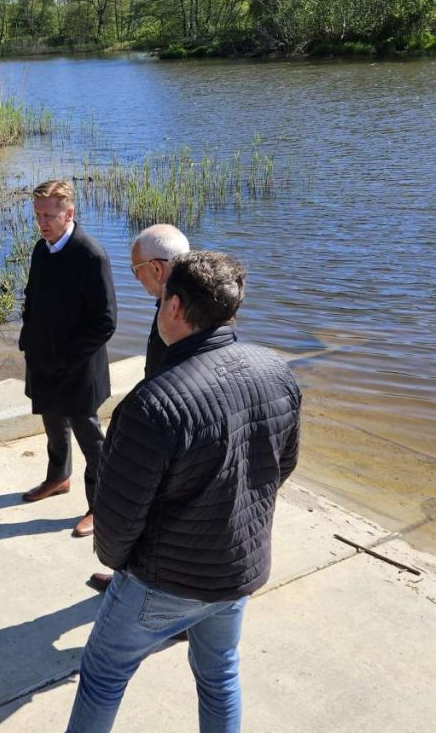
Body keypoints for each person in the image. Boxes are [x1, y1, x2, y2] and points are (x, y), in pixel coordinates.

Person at [67, 251, 302, 733]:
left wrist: (121, 566)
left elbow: (117, 517)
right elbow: (281, 467)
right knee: (220, 677)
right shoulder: (277, 371)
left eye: (160, 304)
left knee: (102, 676)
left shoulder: (153, 404)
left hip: (163, 581)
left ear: (173, 308)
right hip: (237, 570)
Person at [88, 223, 190, 593]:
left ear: (158, 269)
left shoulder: (182, 312)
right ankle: (132, 578)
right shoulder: (185, 298)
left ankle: (159, 597)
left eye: (137, 271)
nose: (136, 279)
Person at [18, 180, 116, 539]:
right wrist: (29, 340)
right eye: (38, 215)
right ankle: (58, 477)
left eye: (50, 215)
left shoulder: (90, 255)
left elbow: (105, 322)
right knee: (52, 425)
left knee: (90, 438)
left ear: (69, 213)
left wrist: (67, 357)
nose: (43, 222)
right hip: (44, 360)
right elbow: (33, 297)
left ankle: (102, 507)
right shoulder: (41, 250)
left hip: (78, 368)